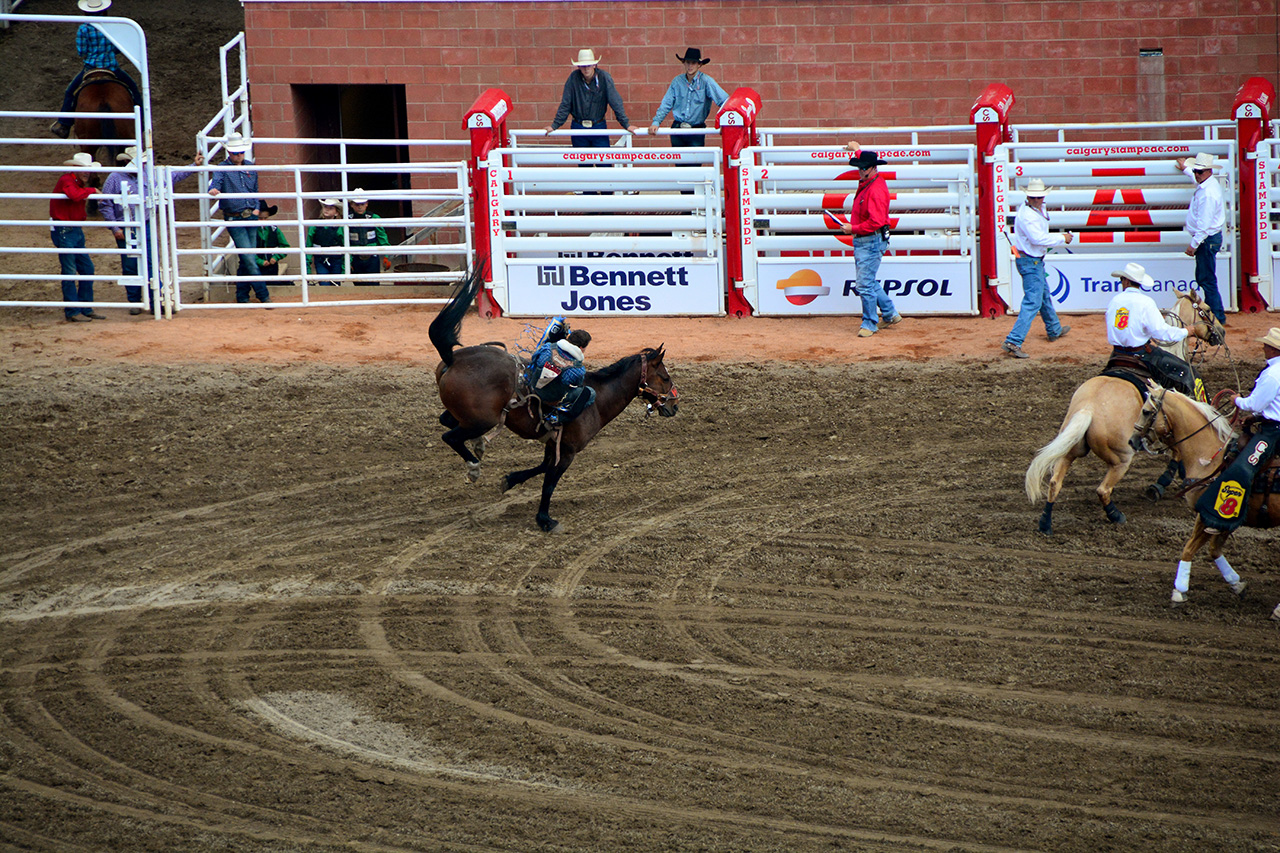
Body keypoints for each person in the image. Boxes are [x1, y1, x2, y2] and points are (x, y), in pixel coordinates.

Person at [1193, 327, 1280, 539]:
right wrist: (1257, 416)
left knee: (1241, 469)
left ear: (1273, 349)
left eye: (1266, 345)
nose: (1263, 347)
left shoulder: (1272, 374)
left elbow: (1254, 403)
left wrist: (1236, 400)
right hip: (1271, 424)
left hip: (1273, 432)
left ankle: (1222, 517)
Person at [99, 146, 203, 313]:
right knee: (131, 264)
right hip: (126, 226)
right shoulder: (115, 178)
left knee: (151, 261)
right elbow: (105, 204)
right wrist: (115, 227)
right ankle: (135, 302)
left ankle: (156, 300)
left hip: (146, 223)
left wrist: (193, 166)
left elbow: (174, 175)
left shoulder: (150, 173)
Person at [1104, 262, 1201, 396]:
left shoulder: (1114, 301)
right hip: (1140, 354)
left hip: (1117, 354)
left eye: (1121, 279)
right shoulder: (1145, 302)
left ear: (1126, 281)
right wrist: (1186, 331)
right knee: (1189, 373)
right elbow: (1161, 332)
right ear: (1140, 283)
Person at [50, 0, 143, 139]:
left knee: (70, 92)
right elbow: (118, 47)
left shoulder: (84, 29)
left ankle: (64, 124)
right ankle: (143, 121)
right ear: (104, 10)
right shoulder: (111, 25)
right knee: (133, 89)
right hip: (111, 68)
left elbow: (82, 51)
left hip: (90, 68)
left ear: (86, 11)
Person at [1002, 178, 1074, 358]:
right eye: (1035, 197)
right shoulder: (1029, 215)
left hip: (1032, 260)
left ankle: (1054, 329)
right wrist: (1062, 239)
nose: (1037, 199)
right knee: (1034, 301)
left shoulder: (1031, 210)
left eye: (1039, 197)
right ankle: (1014, 340)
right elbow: (1038, 239)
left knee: (1042, 295)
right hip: (1031, 260)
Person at [840, 144, 900, 338]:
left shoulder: (874, 190)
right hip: (869, 240)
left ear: (873, 168)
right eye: (860, 167)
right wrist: (857, 149)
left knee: (864, 284)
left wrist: (852, 228)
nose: (861, 170)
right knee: (867, 281)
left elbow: (875, 221)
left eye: (864, 167)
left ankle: (870, 323)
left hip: (869, 240)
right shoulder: (873, 182)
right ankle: (889, 313)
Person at [208, 133, 270, 304]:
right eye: (236, 153)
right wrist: (214, 190)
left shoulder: (250, 167)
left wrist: (257, 208)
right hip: (235, 218)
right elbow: (215, 185)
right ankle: (263, 294)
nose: (239, 155)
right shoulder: (222, 168)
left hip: (250, 216)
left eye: (241, 152)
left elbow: (255, 191)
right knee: (249, 257)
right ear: (230, 153)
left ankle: (242, 296)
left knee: (246, 258)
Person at [1174, 152, 1226, 325]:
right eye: (1195, 171)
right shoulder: (1208, 186)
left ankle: (1217, 317)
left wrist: (1193, 245)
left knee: (1206, 279)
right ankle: (1216, 315)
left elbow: (1204, 225)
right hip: (1208, 239)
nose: (1196, 174)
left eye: (1199, 172)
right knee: (1206, 278)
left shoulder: (1208, 193)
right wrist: (1186, 169)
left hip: (1206, 239)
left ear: (1208, 171)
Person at [544, 49, 635, 147]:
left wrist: (626, 124)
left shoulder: (604, 78)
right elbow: (566, 104)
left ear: (594, 65)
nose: (586, 68)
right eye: (583, 66)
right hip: (578, 126)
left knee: (604, 160)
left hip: (598, 125)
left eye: (589, 65)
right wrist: (554, 126)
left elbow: (615, 101)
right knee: (583, 161)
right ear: (579, 66)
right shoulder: (573, 78)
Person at [50, 152, 102, 323]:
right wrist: (92, 190)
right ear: (75, 168)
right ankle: (75, 310)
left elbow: (75, 195)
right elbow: (75, 195)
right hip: (65, 228)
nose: (87, 173)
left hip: (71, 228)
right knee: (72, 269)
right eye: (83, 169)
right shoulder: (68, 181)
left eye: (88, 170)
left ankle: (82, 308)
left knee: (85, 269)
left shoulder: (73, 182)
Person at [649, 48, 729, 148]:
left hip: (696, 129)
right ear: (684, 63)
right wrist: (656, 122)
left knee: (695, 162)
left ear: (699, 65)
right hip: (678, 128)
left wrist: (726, 124)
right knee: (679, 161)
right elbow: (666, 104)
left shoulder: (706, 81)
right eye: (688, 62)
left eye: (693, 63)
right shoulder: (677, 81)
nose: (690, 66)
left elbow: (724, 101)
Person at [525, 318, 595, 428]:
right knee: (589, 393)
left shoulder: (547, 348)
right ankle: (558, 417)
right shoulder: (578, 369)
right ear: (581, 347)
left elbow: (534, 359)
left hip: (533, 387)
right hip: (550, 399)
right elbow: (576, 385)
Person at [347, 189, 389, 285]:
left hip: (372, 257)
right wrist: (347, 261)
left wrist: (386, 256)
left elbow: (382, 237)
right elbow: (343, 240)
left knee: (374, 285)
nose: (360, 207)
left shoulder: (374, 218)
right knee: (358, 286)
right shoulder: (347, 220)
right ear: (352, 205)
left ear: (367, 204)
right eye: (357, 204)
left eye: (362, 204)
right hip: (355, 258)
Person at [307, 199, 345, 285]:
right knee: (324, 284)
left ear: (336, 212)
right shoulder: (314, 226)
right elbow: (308, 246)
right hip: (320, 260)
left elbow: (346, 247)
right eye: (325, 207)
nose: (327, 209)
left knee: (336, 285)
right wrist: (307, 267)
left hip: (336, 260)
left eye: (331, 208)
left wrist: (344, 268)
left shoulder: (341, 227)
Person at [255, 205, 291, 281]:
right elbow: (246, 250)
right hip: (254, 266)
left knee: (273, 284)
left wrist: (276, 257)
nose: (263, 221)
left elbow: (285, 247)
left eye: (265, 218)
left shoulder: (274, 230)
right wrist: (259, 261)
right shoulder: (251, 231)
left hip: (272, 266)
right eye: (260, 218)